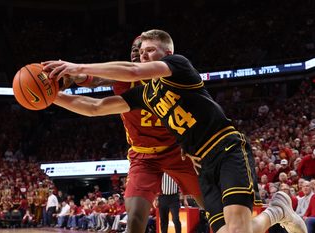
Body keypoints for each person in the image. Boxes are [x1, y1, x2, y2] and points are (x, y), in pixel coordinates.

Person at [43, 29, 307, 233]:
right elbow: (94, 107)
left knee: (238, 228)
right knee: (230, 230)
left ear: (166, 53)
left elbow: (132, 69)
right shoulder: (145, 93)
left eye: (150, 51)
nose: (144, 56)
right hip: (199, 161)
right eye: (141, 52)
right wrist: (49, 97)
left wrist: (78, 67)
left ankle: (276, 211)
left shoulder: (178, 66)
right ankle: (278, 211)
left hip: (225, 147)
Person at [60, 36, 203, 233]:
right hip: (143, 156)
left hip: (177, 151)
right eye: (135, 49)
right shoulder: (122, 74)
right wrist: (71, 78)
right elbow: (98, 81)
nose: (138, 52)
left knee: (211, 205)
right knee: (134, 220)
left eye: (144, 49)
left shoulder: (170, 73)